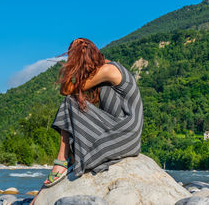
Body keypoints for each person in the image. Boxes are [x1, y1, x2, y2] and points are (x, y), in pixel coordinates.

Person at [42, 37, 144, 187]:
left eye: (76, 60)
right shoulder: (103, 70)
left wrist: (69, 67)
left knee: (70, 101)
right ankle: (68, 157)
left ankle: (62, 160)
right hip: (121, 131)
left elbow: (66, 90)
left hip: (124, 134)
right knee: (74, 102)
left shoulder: (108, 70)